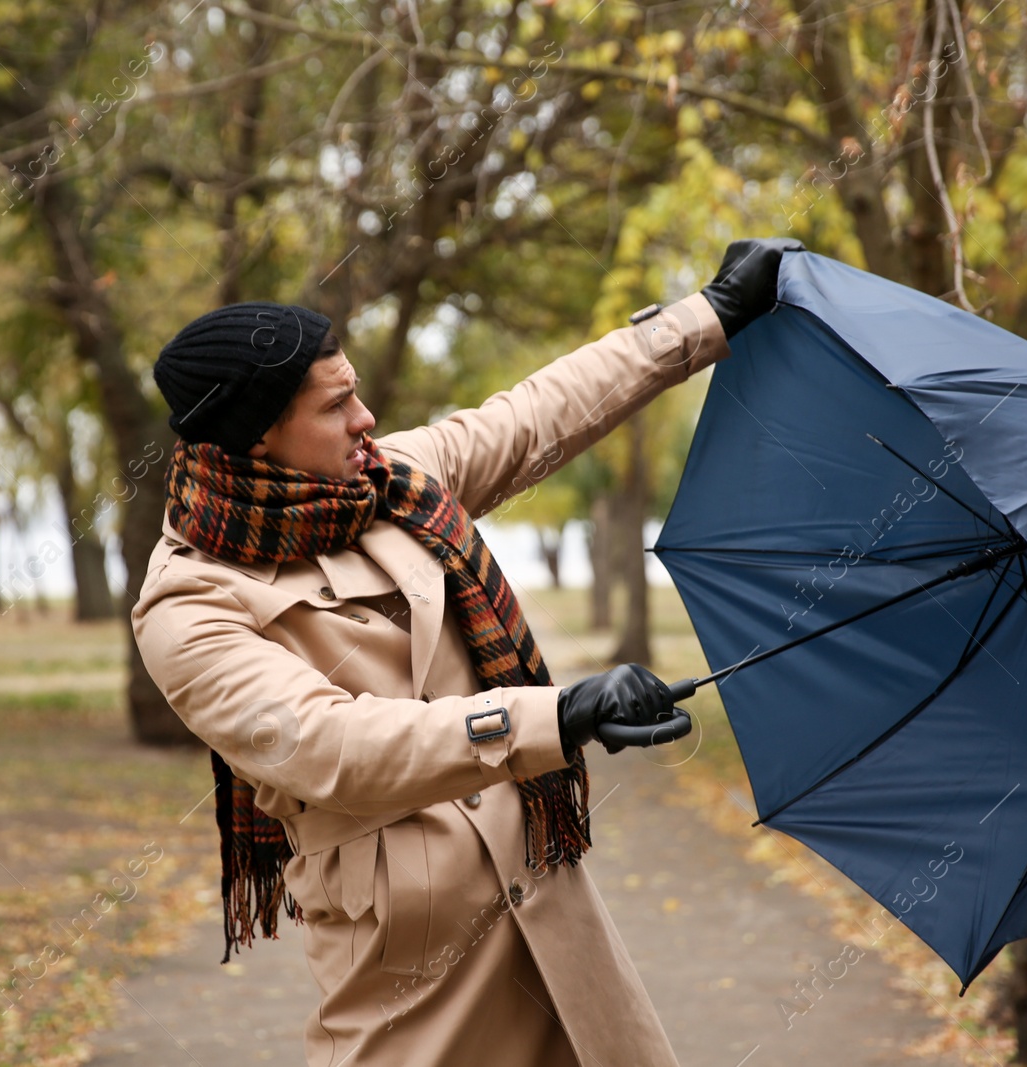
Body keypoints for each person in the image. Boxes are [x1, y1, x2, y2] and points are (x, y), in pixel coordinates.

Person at [132, 238, 801, 1067]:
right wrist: (557, 714)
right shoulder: (190, 604)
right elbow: (331, 747)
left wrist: (708, 317)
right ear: (258, 439)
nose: (365, 419)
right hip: (409, 977)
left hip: (553, 925)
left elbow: (534, 417)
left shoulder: (390, 484)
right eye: (336, 405)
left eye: (360, 394)